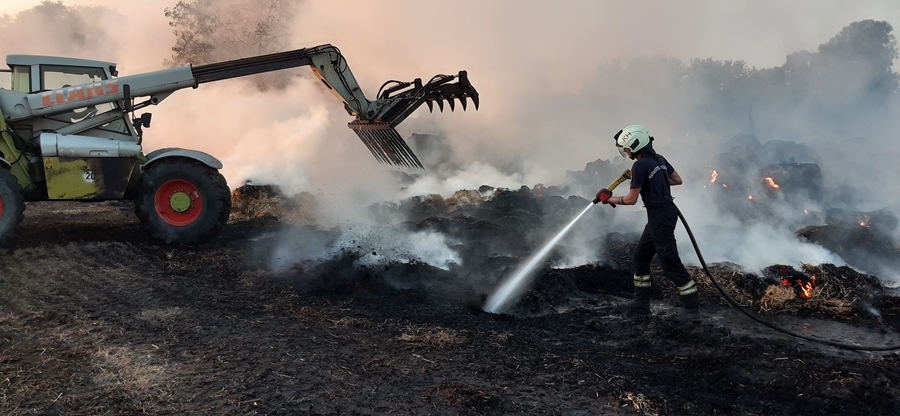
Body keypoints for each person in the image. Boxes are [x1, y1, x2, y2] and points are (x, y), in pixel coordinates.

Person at [595, 124, 700, 322]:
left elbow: (630, 200)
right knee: (640, 257)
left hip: (660, 216)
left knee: (670, 262)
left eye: (626, 148)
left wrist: (607, 199)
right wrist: (651, 181)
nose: (625, 152)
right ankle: (640, 305)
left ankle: (692, 310)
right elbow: (677, 180)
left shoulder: (640, 165)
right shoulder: (659, 159)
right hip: (663, 214)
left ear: (635, 145)